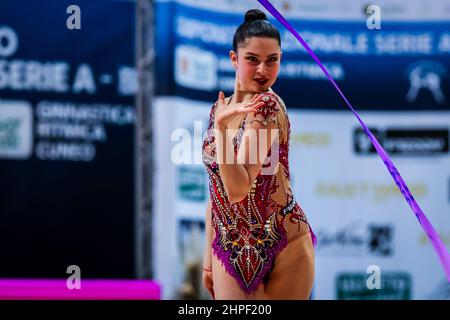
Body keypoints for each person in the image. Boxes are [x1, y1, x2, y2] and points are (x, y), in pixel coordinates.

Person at [201, 8, 317, 300]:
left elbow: (238, 189)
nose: (263, 71)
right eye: (252, 60)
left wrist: (222, 130)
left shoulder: (267, 108)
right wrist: (207, 259)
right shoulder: (220, 109)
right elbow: (215, 193)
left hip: (282, 243)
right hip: (230, 244)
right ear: (234, 59)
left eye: (272, 60)